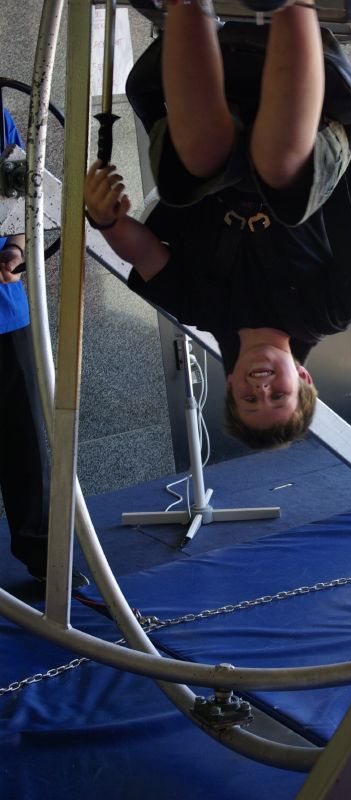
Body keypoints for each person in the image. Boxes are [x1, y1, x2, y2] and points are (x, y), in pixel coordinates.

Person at [84, 0, 351, 449]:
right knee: (281, 176)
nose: (261, 388)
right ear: (302, 376)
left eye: (248, 398)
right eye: (278, 395)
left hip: (209, 127)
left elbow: (142, 253)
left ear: (232, 380)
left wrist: (105, 220)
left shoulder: (196, 306)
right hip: (320, 129)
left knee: (195, 168)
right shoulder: (323, 315)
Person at [0, 107, 89, 587]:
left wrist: (15, 248)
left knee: (23, 443)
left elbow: (19, 204)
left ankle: (42, 555)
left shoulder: (0, 119)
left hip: (5, 313)